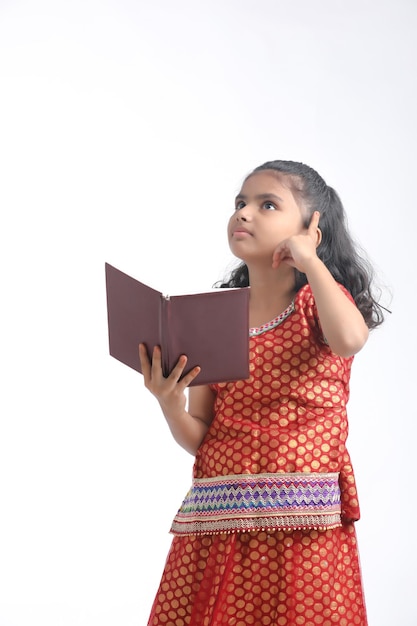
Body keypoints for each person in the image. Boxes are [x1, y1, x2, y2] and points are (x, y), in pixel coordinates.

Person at [139, 160, 385, 626]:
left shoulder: (318, 300)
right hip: (220, 516)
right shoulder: (213, 317)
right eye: (240, 203)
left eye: (266, 204)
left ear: (313, 228)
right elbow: (203, 436)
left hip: (300, 521)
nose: (244, 214)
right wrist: (169, 403)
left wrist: (311, 264)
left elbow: (350, 340)